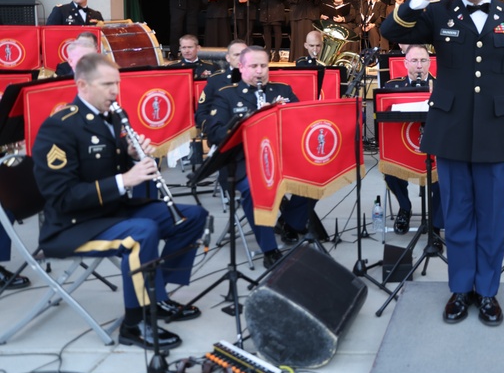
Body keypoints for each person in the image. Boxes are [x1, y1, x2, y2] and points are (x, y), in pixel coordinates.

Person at [381, 0, 504, 327]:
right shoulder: (438, 13)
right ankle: (459, 288)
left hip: (498, 132)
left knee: (490, 219)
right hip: (450, 130)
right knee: (455, 216)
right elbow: (389, 29)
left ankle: (487, 292)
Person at [32, 53, 208, 348]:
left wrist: (133, 155)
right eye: (107, 84)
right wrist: (126, 179)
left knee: (192, 217)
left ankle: (157, 295)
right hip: (72, 225)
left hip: (111, 212)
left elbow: (109, 165)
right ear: (83, 86)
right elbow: (62, 198)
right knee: (141, 235)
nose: (115, 91)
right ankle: (135, 324)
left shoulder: (112, 116)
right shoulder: (60, 127)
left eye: (117, 83)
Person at [205, 46, 316, 263]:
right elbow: (215, 135)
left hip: (282, 159)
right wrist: (251, 118)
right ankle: (269, 249)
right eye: (254, 66)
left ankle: (289, 222)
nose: (260, 71)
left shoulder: (282, 90)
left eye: (263, 66)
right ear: (241, 67)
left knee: (315, 176)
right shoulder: (227, 95)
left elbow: (302, 123)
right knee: (254, 188)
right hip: (240, 163)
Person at [382, 44, 443, 238]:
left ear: (430, 63)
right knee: (389, 168)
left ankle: (435, 223)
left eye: (423, 61)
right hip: (404, 148)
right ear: (406, 63)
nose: (419, 66)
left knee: (447, 173)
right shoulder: (393, 87)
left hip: (435, 148)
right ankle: (405, 207)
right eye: (414, 61)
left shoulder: (442, 86)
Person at [195, 40, 246, 132]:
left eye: (243, 55)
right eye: (236, 55)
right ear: (228, 58)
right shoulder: (216, 80)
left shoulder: (257, 78)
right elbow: (202, 112)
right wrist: (213, 130)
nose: (240, 58)